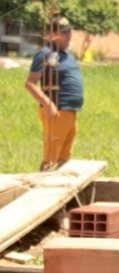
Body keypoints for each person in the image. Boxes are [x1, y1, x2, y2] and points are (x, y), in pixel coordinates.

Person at [25, 16, 84, 172]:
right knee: (50, 161)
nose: (69, 35)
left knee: (64, 158)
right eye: (64, 32)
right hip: (56, 112)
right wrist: (49, 104)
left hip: (70, 112)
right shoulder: (47, 53)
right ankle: (40, 191)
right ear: (52, 35)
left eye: (69, 31)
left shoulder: (64, 54)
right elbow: (30, 83)